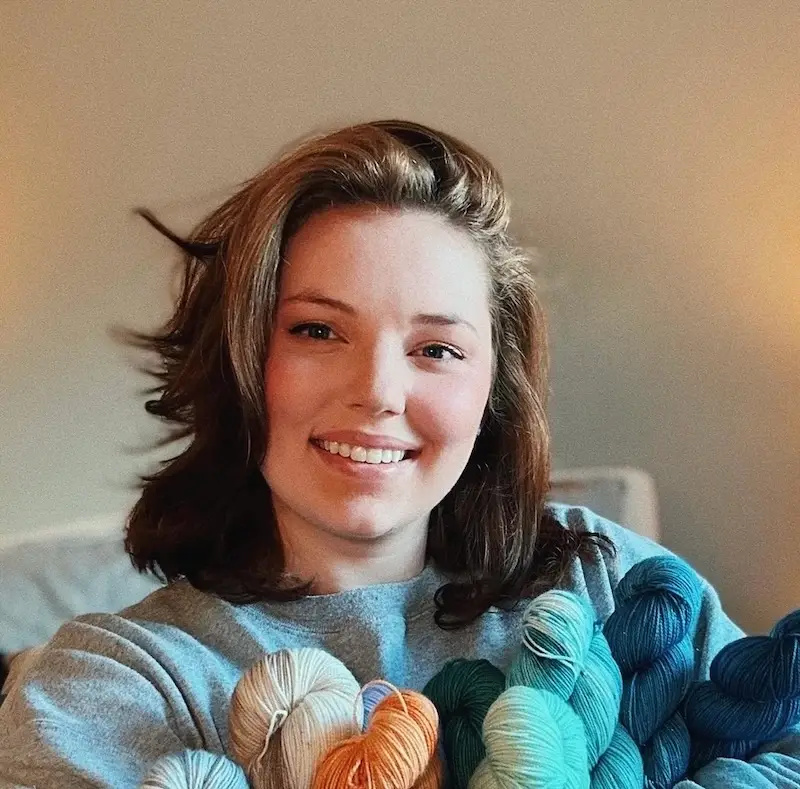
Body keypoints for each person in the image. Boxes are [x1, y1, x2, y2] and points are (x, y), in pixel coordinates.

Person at [0, 119, 795, 788]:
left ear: (494, 390)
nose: (378, 390)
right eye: (317, 330)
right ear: (237, 360)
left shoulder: (606, 576)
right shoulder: (113, 682)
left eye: (437, 348)